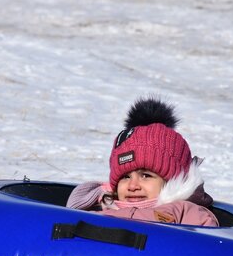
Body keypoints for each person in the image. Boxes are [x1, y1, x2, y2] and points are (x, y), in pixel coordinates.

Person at [66, 97, 219, 227]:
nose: (133, 186)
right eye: (125, 177)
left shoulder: (186, 213)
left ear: (172, 181)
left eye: (145, 175)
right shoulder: (100, 207)